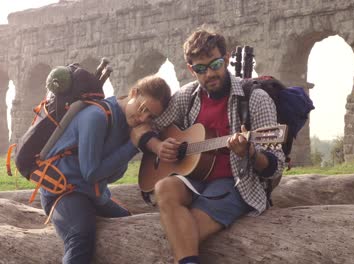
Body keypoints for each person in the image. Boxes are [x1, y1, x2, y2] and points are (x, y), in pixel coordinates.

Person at [139, 27, 285, 264]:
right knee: (164, 186)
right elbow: (144, 126)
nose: (209, 74)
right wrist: (157, 146)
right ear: (191, 69)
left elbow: (275, 165)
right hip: (194, 179)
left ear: (226, 59)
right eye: (200, 69)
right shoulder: (187, 97)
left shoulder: (255, 99)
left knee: (184, 235)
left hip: (237, 183)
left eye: (215, 64)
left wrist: (250, 153)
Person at [40, 75, 171, 264]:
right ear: (133, 93)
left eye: (150, 116)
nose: (143, 118)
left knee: (128, 221)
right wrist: (132, 145)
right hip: (62, 193)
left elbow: (113, 175)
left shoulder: (128, 124)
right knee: (81, 237)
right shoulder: (96, 116)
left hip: (93, 194)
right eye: (143, 109)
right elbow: (91, 173)